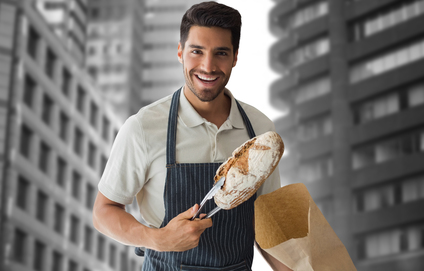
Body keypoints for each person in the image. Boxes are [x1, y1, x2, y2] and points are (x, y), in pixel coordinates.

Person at [93, 2, 291, 270]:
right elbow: (104, 211)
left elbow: (268, 224)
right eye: (197, 51)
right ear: (180, 52)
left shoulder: (259, 131)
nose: (208, 66)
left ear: (235, 57)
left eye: (221, 53)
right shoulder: (144, 127)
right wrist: (159, 239)